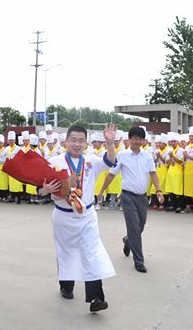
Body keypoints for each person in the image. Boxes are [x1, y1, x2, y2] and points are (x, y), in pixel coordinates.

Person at [39, 124, 117, 312]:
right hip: (63, 217)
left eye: (81, 140)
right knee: (66, 253)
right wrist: (45, 190)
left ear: (86, 143)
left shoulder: (92, 161)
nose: (77, 144)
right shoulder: (54, 161)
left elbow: (110, 161)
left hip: (87, 216)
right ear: (65, 141)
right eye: (73, 140)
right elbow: (40, 189)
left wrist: (110, 142)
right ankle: (66, 285)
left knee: (91, 253)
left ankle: (96, 298)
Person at [97, 126, 163, 273]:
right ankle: (139, 261)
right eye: (135, 138)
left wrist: (158, 190)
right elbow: (111, 174)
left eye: (140, 139)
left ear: (144, 140)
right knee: (133, 227)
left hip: (142, 198)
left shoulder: (147, 156)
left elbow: (153, 174)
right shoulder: (122, 155)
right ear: (130, 139)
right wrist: (101, 190)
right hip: (128, 197)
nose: (137, 141)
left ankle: (128, 241)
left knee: (140, 226)